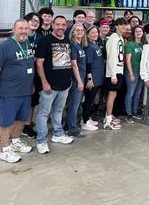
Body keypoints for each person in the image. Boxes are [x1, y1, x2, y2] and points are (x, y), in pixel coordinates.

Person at [0, 19, 34, 163]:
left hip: (25, 91)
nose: (23, 31)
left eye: (26, 28)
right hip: (9, 92)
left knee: (21, 119)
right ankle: (5, 150)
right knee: (6, 122)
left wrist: (31, 83)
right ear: (14, 29)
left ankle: (15, 142)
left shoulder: (27, 43)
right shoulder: (5, 46)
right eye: (20, 28)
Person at [35, 16, 74, 154]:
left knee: (58, 111)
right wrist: (44, 82)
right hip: (49, 86)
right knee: (44, 113)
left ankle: (58, 134)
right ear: (53, 25)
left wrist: (69, 81)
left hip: (64, 84)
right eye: (58, 24)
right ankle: (41, 141)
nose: (61, 27)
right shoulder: (44, 41)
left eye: (63, 25)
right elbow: (39, 63)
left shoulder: (67, 40)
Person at [103, 18, 128, 130]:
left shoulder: (120, 38)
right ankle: (108, 121)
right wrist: (113, 75)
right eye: (121, 25)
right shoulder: (113, 39)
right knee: (111, 95)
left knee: (114, 95)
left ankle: (109, 115)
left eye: (125, 25)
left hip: (119, 70)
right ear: (116, 26)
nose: (124, 27)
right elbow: (111, 57)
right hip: (113, 72)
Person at [81, 26, 104, 131]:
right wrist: (90, 79)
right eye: (92, 33)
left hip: (98, 77)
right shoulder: (89, 47)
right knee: (88, 100)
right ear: (87, 34)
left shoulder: (95, 45)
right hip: (92, 79)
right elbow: (88, 64)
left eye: (96, 32)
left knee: (91, 99)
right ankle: (85, 121)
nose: (95, 34)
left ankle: (88, 118)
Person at [66, 23, 86, 137]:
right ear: (72, 32)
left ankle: (69, 125)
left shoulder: (80, 45)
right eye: (77, 30)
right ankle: (72, 129)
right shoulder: (73, 45)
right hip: (76, 79)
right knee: (74, 104)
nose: (80, 32)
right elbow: (74, 64)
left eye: (81, 30)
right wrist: (79, 81)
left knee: (75, 104)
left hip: (81, 77)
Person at [124, 26, 146, 123]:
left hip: (142, 72)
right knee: (130, 93)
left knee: (138, 93)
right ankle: (128, 114)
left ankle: (135, 111)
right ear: (133, 33)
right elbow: (127, 60)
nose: (138, 33)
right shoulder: (130, 44)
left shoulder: (144, 44)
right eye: (136, 31)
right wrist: (131, 73)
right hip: (132, 71)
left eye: (140, 31)